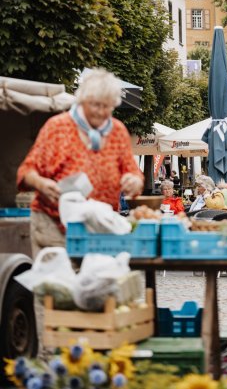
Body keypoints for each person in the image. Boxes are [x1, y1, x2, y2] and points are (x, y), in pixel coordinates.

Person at [17, 68, 144, 257]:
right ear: (82, 100)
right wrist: (40, 183)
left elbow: (134, 173)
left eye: (107, 106)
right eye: (95, 105)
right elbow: (26, 172)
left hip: (99, 229)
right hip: (54, 226)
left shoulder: (117, 131)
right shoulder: (57, 127)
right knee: (59, 285)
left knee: (97, 284)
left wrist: (134, 181)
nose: (101, 112)